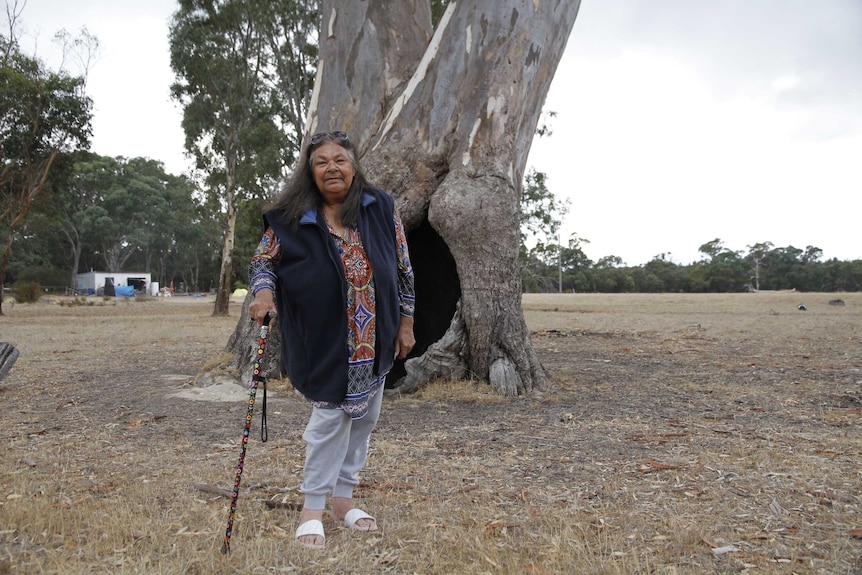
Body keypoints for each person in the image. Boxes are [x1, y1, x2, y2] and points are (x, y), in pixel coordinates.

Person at [248, 131, 415, 550]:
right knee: (328, 424)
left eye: (339, 160)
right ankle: (311, 509)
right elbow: (263, 262)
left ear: (353, 166)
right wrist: (263, 293)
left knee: (363, 422)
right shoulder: (290, 219)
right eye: (321, 162)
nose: (331, 168)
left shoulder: (380, 208)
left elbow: (404, 269)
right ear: (309, 172)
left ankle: (343, 501)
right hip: (325, 341)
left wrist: (407, 322)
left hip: (375, 341)